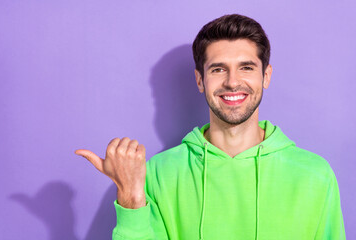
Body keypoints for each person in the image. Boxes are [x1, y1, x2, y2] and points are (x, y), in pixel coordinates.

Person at [75, 14, 346, 240]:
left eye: (246, 68)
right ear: (200, 80)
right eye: (218, 69)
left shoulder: (315, 175)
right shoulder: (156, 173)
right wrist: (131, 198)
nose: (232, 82)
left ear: (266, 76)